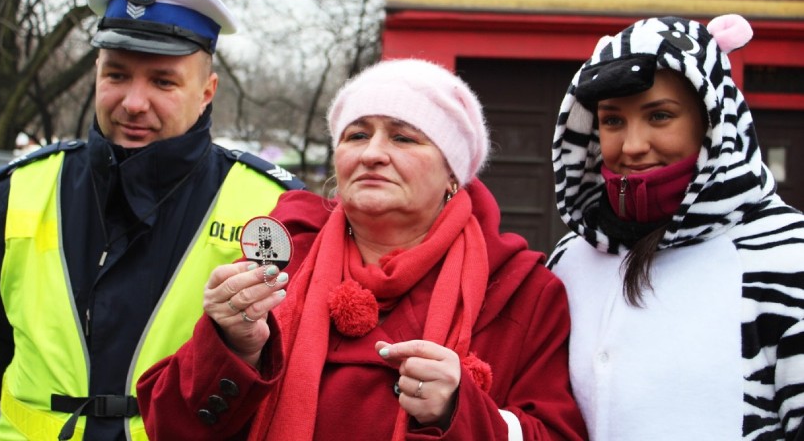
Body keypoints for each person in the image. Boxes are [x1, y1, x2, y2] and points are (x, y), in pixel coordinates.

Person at [136, 59, 588, 440]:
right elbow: (168, 426)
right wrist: (232, 346)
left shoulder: (520, 288)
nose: (372, 153)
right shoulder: (281, 258)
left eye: (403, 137)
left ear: (453, 173)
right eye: (356, 135)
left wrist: (459, 410)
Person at [0, 0, 304, 441]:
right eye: (117, 75)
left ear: (207, 91)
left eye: (163, 81)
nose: (133, 102)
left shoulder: (269, 205)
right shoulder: (22, 188)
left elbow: (278, 368)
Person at [548, 14, 804, 440]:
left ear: (711, 119)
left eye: (660, 116)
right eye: (612, 121)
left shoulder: (786, 255)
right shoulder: (570, 259)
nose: (632, 145)